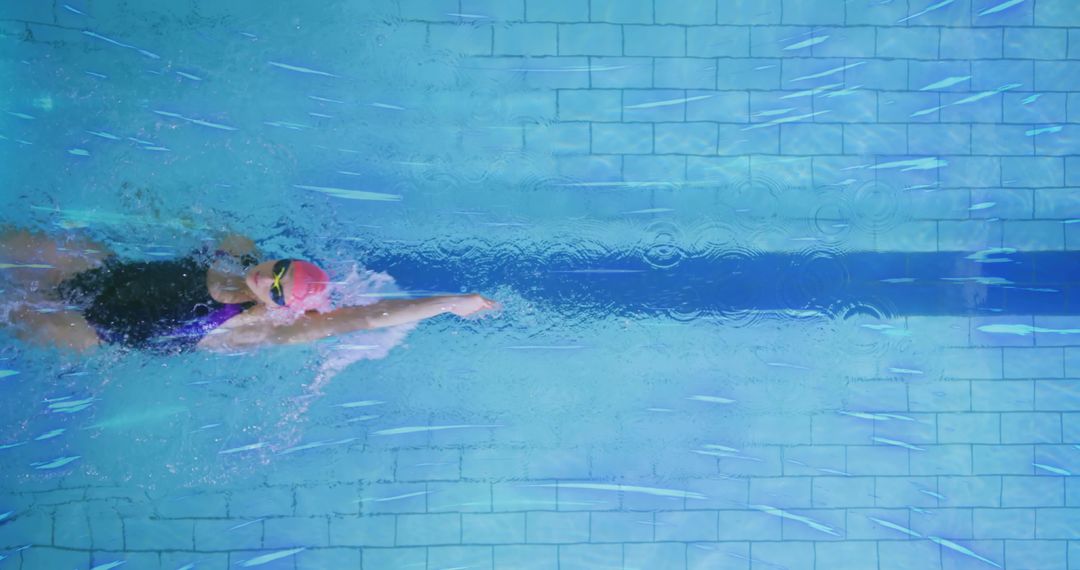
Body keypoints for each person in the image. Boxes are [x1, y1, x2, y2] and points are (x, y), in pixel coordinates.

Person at [0, 227, 501, 354]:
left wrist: (453, 303)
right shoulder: (240, 253)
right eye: (278, 267)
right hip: (110, 274)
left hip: (100, 329)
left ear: (281, 308)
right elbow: (200, 223)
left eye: (278, 289)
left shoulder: (264, 326)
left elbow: (369, 318)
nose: (268, 279)